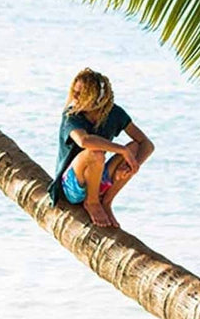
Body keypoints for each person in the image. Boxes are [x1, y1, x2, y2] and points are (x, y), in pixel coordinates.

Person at [48, 68, 154, 228]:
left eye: (80, 93)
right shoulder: (72, 116)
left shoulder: (114, 113)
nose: (74, 97)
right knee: (95, 153)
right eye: (74, 92)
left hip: (98, 181)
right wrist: (122, 150)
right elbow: (84, 141)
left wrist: (130, 166)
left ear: (97, 99)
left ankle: (106, 201)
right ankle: (91, 202)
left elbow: (147, 144)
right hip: (72, 186)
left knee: (135, 147)